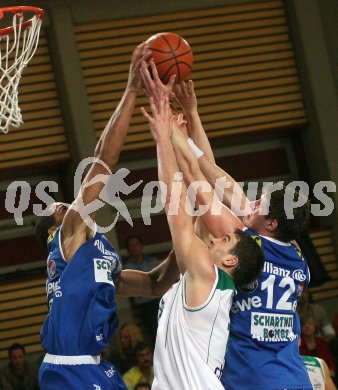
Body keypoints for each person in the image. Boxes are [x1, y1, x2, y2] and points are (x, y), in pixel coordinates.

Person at [140, 64, 312, 389]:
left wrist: (169, 128)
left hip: (252, 380)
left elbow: (196, 174)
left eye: (259, 203)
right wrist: (193, 113)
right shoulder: (295, 252)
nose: (251, 203)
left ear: (271, 223)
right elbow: (219, 177)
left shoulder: (241, 238)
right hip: (293, 375)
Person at [33, 42, 181, 390]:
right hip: (71, 369)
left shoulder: (93, 262)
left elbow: (155, 284)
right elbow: (103, 162)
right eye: (62, 208)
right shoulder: (69, 237)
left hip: (96, 365)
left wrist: (187, 238)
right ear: (56, 229)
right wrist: (131, 91)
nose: (70, 206)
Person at [141, 93, 264, 389]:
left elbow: (178, 209)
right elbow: (201, 184)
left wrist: (165, 137)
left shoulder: (207, 277)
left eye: (224, 238)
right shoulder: (207, 277)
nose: (216, 236)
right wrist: (181, 135)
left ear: (230, 259)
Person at [123, 235, 161, 346]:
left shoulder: (153, 261)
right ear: (128, 249)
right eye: (131, 246)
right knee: (153, 332)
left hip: (159, 299)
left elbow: (161, 279)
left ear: (141, 246)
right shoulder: (127, 267)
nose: (134, 248)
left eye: (136, 244)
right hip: (144, 304)